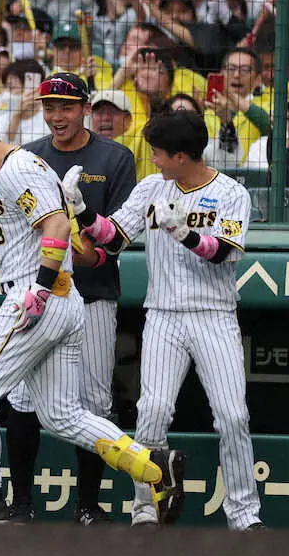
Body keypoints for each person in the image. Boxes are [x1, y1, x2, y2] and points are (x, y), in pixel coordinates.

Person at [0, 113, 184, 523]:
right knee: (62, 415)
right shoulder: (23, 166)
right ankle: (151, 465)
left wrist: (41, 286)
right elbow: (39, 229)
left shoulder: (16, 168)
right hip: (62, 301)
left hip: (38, 296)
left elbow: (59, 224)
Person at [67, 111, 264, 530]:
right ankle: (146, 510)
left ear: (181, 155)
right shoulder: (151, 186)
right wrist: (83, 212)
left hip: (214, 315)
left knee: (233, 416)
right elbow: (114, 236)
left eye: (158, 153)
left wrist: (184, 234)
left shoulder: (232, 193)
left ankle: (245, 517)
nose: (152, 159)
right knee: (152, 412)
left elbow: (226, 251)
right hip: (163, 316)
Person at [5, 73, 137, 525]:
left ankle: (88, 505)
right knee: (22, 397)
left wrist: (75, 246)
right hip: (39, 291)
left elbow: (114, 244)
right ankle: (21, 503)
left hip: (93, 294)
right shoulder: (28, 156)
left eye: (65, 106)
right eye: (49, 106)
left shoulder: (115, 157)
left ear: (85, 107)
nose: (56, 116)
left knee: (95, 400)